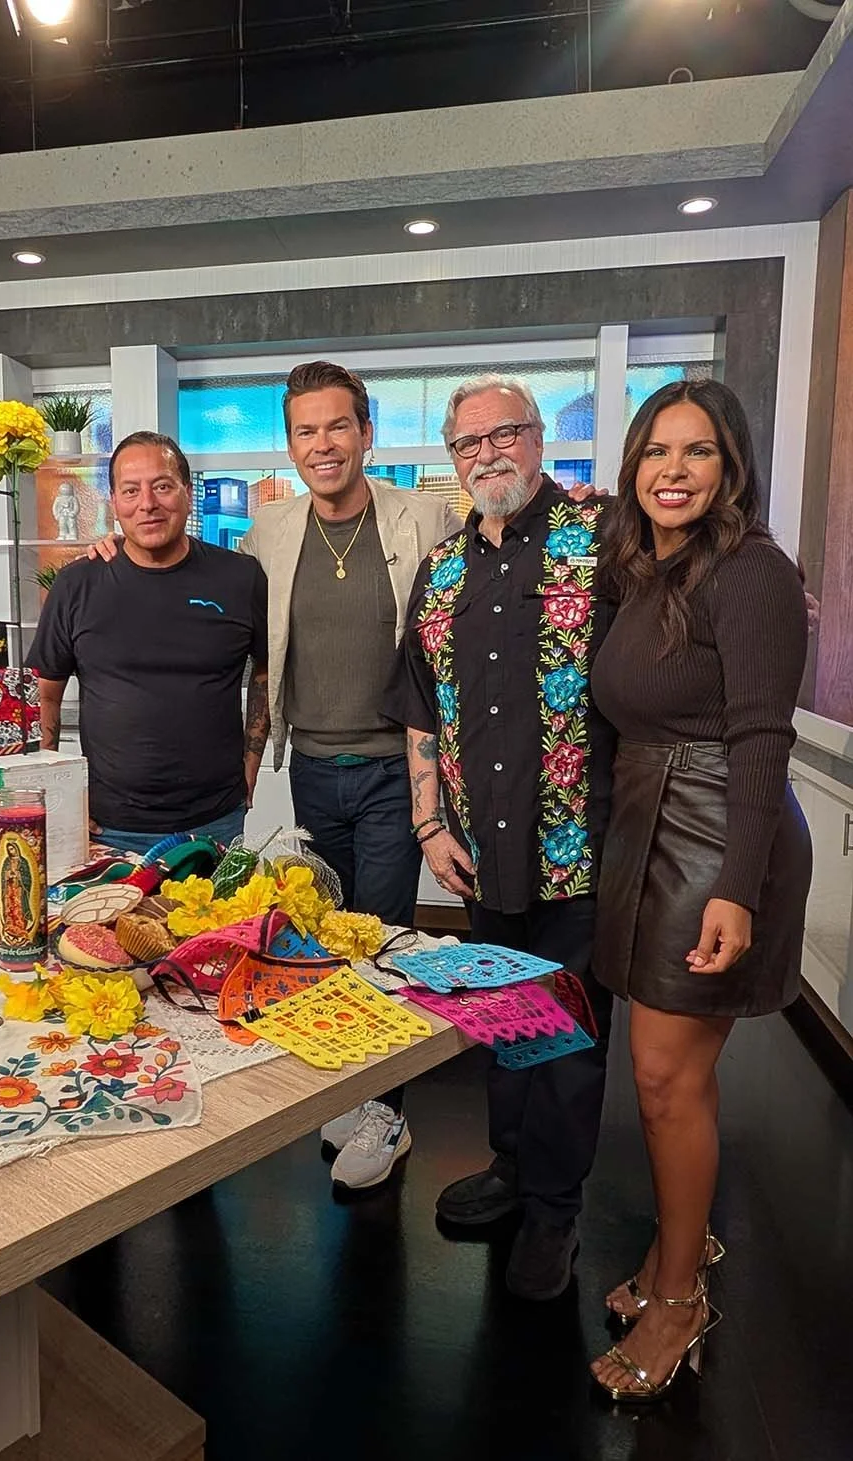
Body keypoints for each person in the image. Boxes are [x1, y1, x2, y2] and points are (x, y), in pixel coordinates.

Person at [89, 362, 459, 1189]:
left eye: (337, 427)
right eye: (305, 431)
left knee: (384, 936)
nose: (321, 445)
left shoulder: (426, 517)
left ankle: (387, 1113)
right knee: (324, 938)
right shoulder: (267, 535)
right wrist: (109, 553)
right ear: (290, 443)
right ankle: (355, 1089)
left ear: (366, 432)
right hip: (317, 771)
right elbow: (214, 608)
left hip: (398, 771)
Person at [588, 380, 810, 1401]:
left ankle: (679, 1295)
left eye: (698, 452)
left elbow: (763, 732)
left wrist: (736, 886)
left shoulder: (753, 573)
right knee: (670, 1076)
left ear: (731, 468)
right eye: (654, 452)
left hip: (719, 826)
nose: (671, 471)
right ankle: (682, 1246)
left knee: (662, 1076)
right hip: (649, 819)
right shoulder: (643, 571)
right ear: (632, 468)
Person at [386, 373, 616, 1300]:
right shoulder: (441, 568)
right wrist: (426, 820)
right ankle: (513, 1168)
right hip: (477, 852)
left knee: (568, 1038)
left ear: (539, 440)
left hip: (579, 851)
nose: (487, 454)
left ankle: (556, 1212)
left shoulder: (603, 545)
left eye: (505, 433)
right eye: (467, 443)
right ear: (452, 461)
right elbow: (420, 706)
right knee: (504, 1020)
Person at [27, 431, 270, 855]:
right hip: (108, 828)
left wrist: (251, 764)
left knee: (220, 924)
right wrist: (57, 797)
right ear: (114, 503)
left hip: (216, 822)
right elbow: (43, 696)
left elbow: (267, 671)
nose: (147, 504)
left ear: (188, 494)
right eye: (131, 490)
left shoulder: (241, 578)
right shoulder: (77, 585)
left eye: (162, 486)